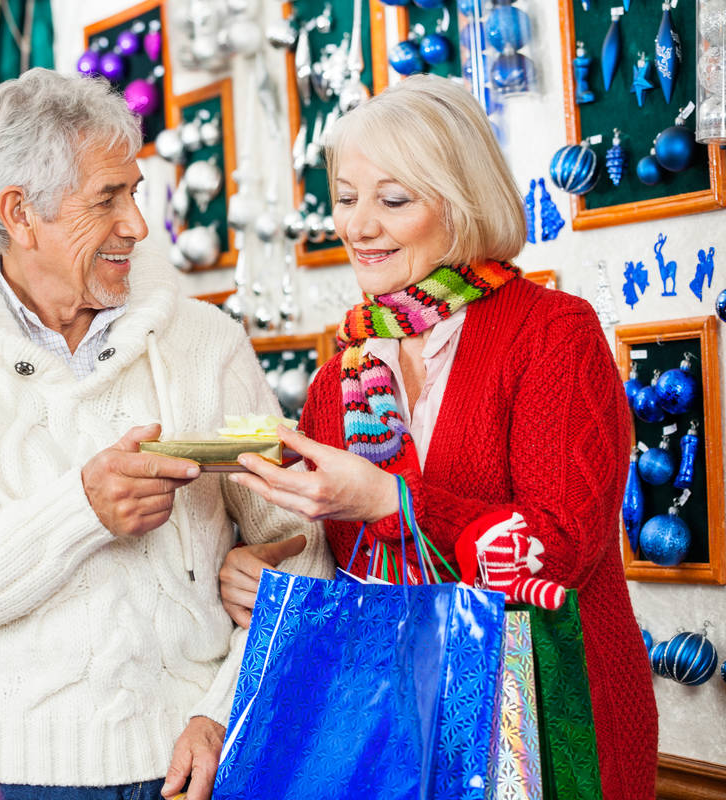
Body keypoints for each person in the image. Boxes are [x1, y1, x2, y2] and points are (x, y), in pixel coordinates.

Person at [0, 68, 329, 800]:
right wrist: (82, 511)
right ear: (20, 213)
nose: (138, 225)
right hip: (12, 782)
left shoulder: (208, 345)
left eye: (134, 192)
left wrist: (221, 713)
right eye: (107, 199)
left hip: (205, 763)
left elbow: (302, 549)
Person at [218, 74, 657, 800]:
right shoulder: (342, 375)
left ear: (462, 202)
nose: (358, 227)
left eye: (393, 200)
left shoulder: (554, 333)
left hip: (549, 724)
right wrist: (268, 578)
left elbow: (564, 546)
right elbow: (355, 574)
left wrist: (394, 503)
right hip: (402, 735)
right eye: (347, 197)